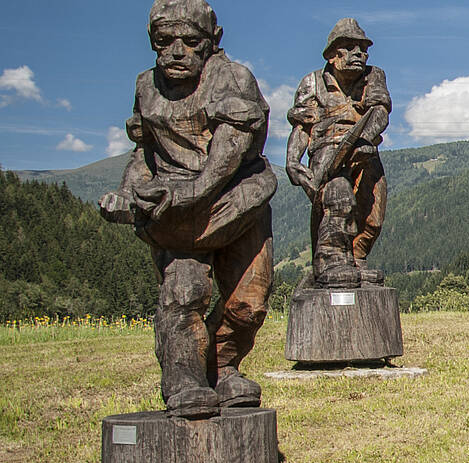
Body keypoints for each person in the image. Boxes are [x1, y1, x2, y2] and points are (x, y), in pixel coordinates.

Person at [99, 0, 274, 418]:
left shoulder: (232, 79)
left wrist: (188, 192)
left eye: (190, 42)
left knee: (249, 303)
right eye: (164, 41)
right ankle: (185, 380)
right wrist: (128, 192)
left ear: (212, 43)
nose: (176, 52)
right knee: (185, 292)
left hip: (237, 200)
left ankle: (223, 367)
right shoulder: (147, 87)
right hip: (176, 217)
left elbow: (227, 155)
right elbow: (144, 152)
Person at [286, 18, 389, 288]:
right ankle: (331, 260)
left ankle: (357, 258)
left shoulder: (373, 76)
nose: (360, 54)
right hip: (326, 151)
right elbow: (302, 127)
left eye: (363, 49)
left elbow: (379, 111)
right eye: (351, 48)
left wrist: (363, 139)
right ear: (332, 55)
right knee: (338, 198)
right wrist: (292, 160)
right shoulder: (312, 83)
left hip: (364, 149)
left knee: (374, 210)